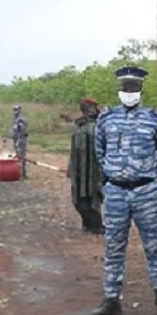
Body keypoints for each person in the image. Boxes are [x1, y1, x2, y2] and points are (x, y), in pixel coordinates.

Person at [89, 66, 157, 315]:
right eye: (125, 88)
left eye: (134, 88)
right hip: (115, 192)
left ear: (140, 89)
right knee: (113, 246)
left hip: (146, 192)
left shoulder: (155, 120)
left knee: (154, 246)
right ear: (119, 89)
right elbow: (99, 152)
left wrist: (146, 174)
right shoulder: (106, 120)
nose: (129, 92)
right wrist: (115, 174)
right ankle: (111, 299)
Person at [68, 97, 105, 234]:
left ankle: (92, 224)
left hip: (89, 169)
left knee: (89, 195)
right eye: (95, 108)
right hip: (84, 169)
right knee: (86, 196)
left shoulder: (83, 126)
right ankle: (92, 224)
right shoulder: (87, 127)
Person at [12, 103, 28, 179]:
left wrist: (18, 142)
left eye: (16, 110)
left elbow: (22, 132)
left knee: (21, 158)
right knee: (18, 157)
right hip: (16, 140)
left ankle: (22, 174)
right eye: (13, 109)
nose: (14, 111)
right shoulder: (15, 120)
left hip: (21, 141)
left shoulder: (21, 120)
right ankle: (22, 174)